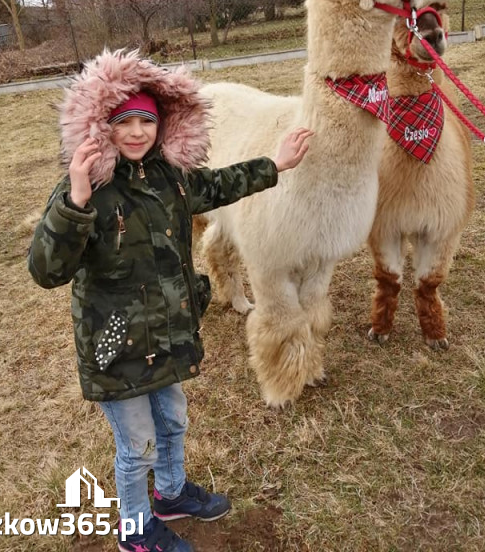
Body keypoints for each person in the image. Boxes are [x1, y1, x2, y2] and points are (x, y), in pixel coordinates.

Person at [28, 50, 312, 552]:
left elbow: (221, 183)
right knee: (136, 447)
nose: (136, 132)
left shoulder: (170, 179)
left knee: (174, 420)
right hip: (116, 348)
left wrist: (276, 163)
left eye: (147, 120)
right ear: (102, 126)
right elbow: (47, 270)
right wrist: (74, 202)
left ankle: (172, 493)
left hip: (166, 336)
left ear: (162, 125)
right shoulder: (88, 190)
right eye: (123, 121)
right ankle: (134, 528)